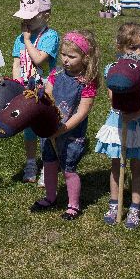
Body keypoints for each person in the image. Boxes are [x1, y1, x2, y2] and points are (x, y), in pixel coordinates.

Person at [95, 23, 140, 229]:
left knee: (137, 166)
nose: (138, 52)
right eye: (132, 48)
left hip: (139, 123)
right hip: (118, 122)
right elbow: (112, 96)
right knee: (117, 165)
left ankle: (134, 207)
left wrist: (135, 114)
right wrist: (124, 112)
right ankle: (115, 204)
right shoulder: (113, 70)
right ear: (120, 47)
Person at [30, 30, 99, 221]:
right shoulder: (56, 73)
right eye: (63, 55)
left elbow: (82, 111)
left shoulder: (86, 82)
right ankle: (50, 197)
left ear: (85, 58)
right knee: (49, 164)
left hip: (71, 133)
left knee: (68, 169)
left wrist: (64, 128)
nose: (66, 60)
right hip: (50, 129)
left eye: (72, 56)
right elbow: (50, 95)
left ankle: (73, 205)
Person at [11, 0, 60, 183]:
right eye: (24, 17)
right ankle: (31, 162)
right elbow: (16, 64)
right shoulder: (19, 39)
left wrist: (28, 40)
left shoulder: (51, 36)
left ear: (46, 16)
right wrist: (17, 85)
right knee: (29, 128)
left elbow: (39, 58)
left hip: (46, 88)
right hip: (26, 89)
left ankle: (48, 164)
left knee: (45, 127)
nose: (26, 22)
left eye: (30, 17)